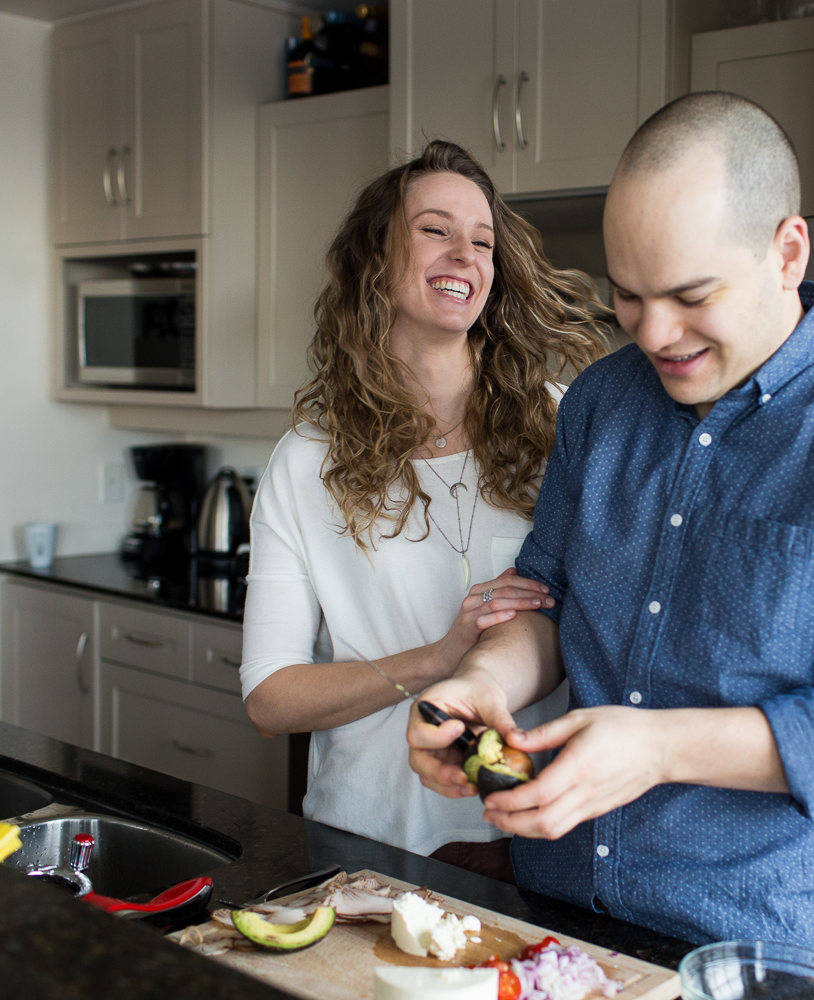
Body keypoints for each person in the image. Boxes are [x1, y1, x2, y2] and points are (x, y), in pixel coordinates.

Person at [407, 93, 814, 993]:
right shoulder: (602, 403)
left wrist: (661, 747)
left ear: (786, 251)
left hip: (772, 951)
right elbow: (548, 597)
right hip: (563, 919)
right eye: (628, 297)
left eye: (690, 296)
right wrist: (481, 685)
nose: (654, 334)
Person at [241, 140, 611, 879]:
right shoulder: (307, 461)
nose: (465, 254)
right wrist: (438, 660)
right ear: (375, 259)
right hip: (375, 840)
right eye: (435, 229)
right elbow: (270, 698)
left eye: (483, 241)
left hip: (544, 837)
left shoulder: (565, 427)